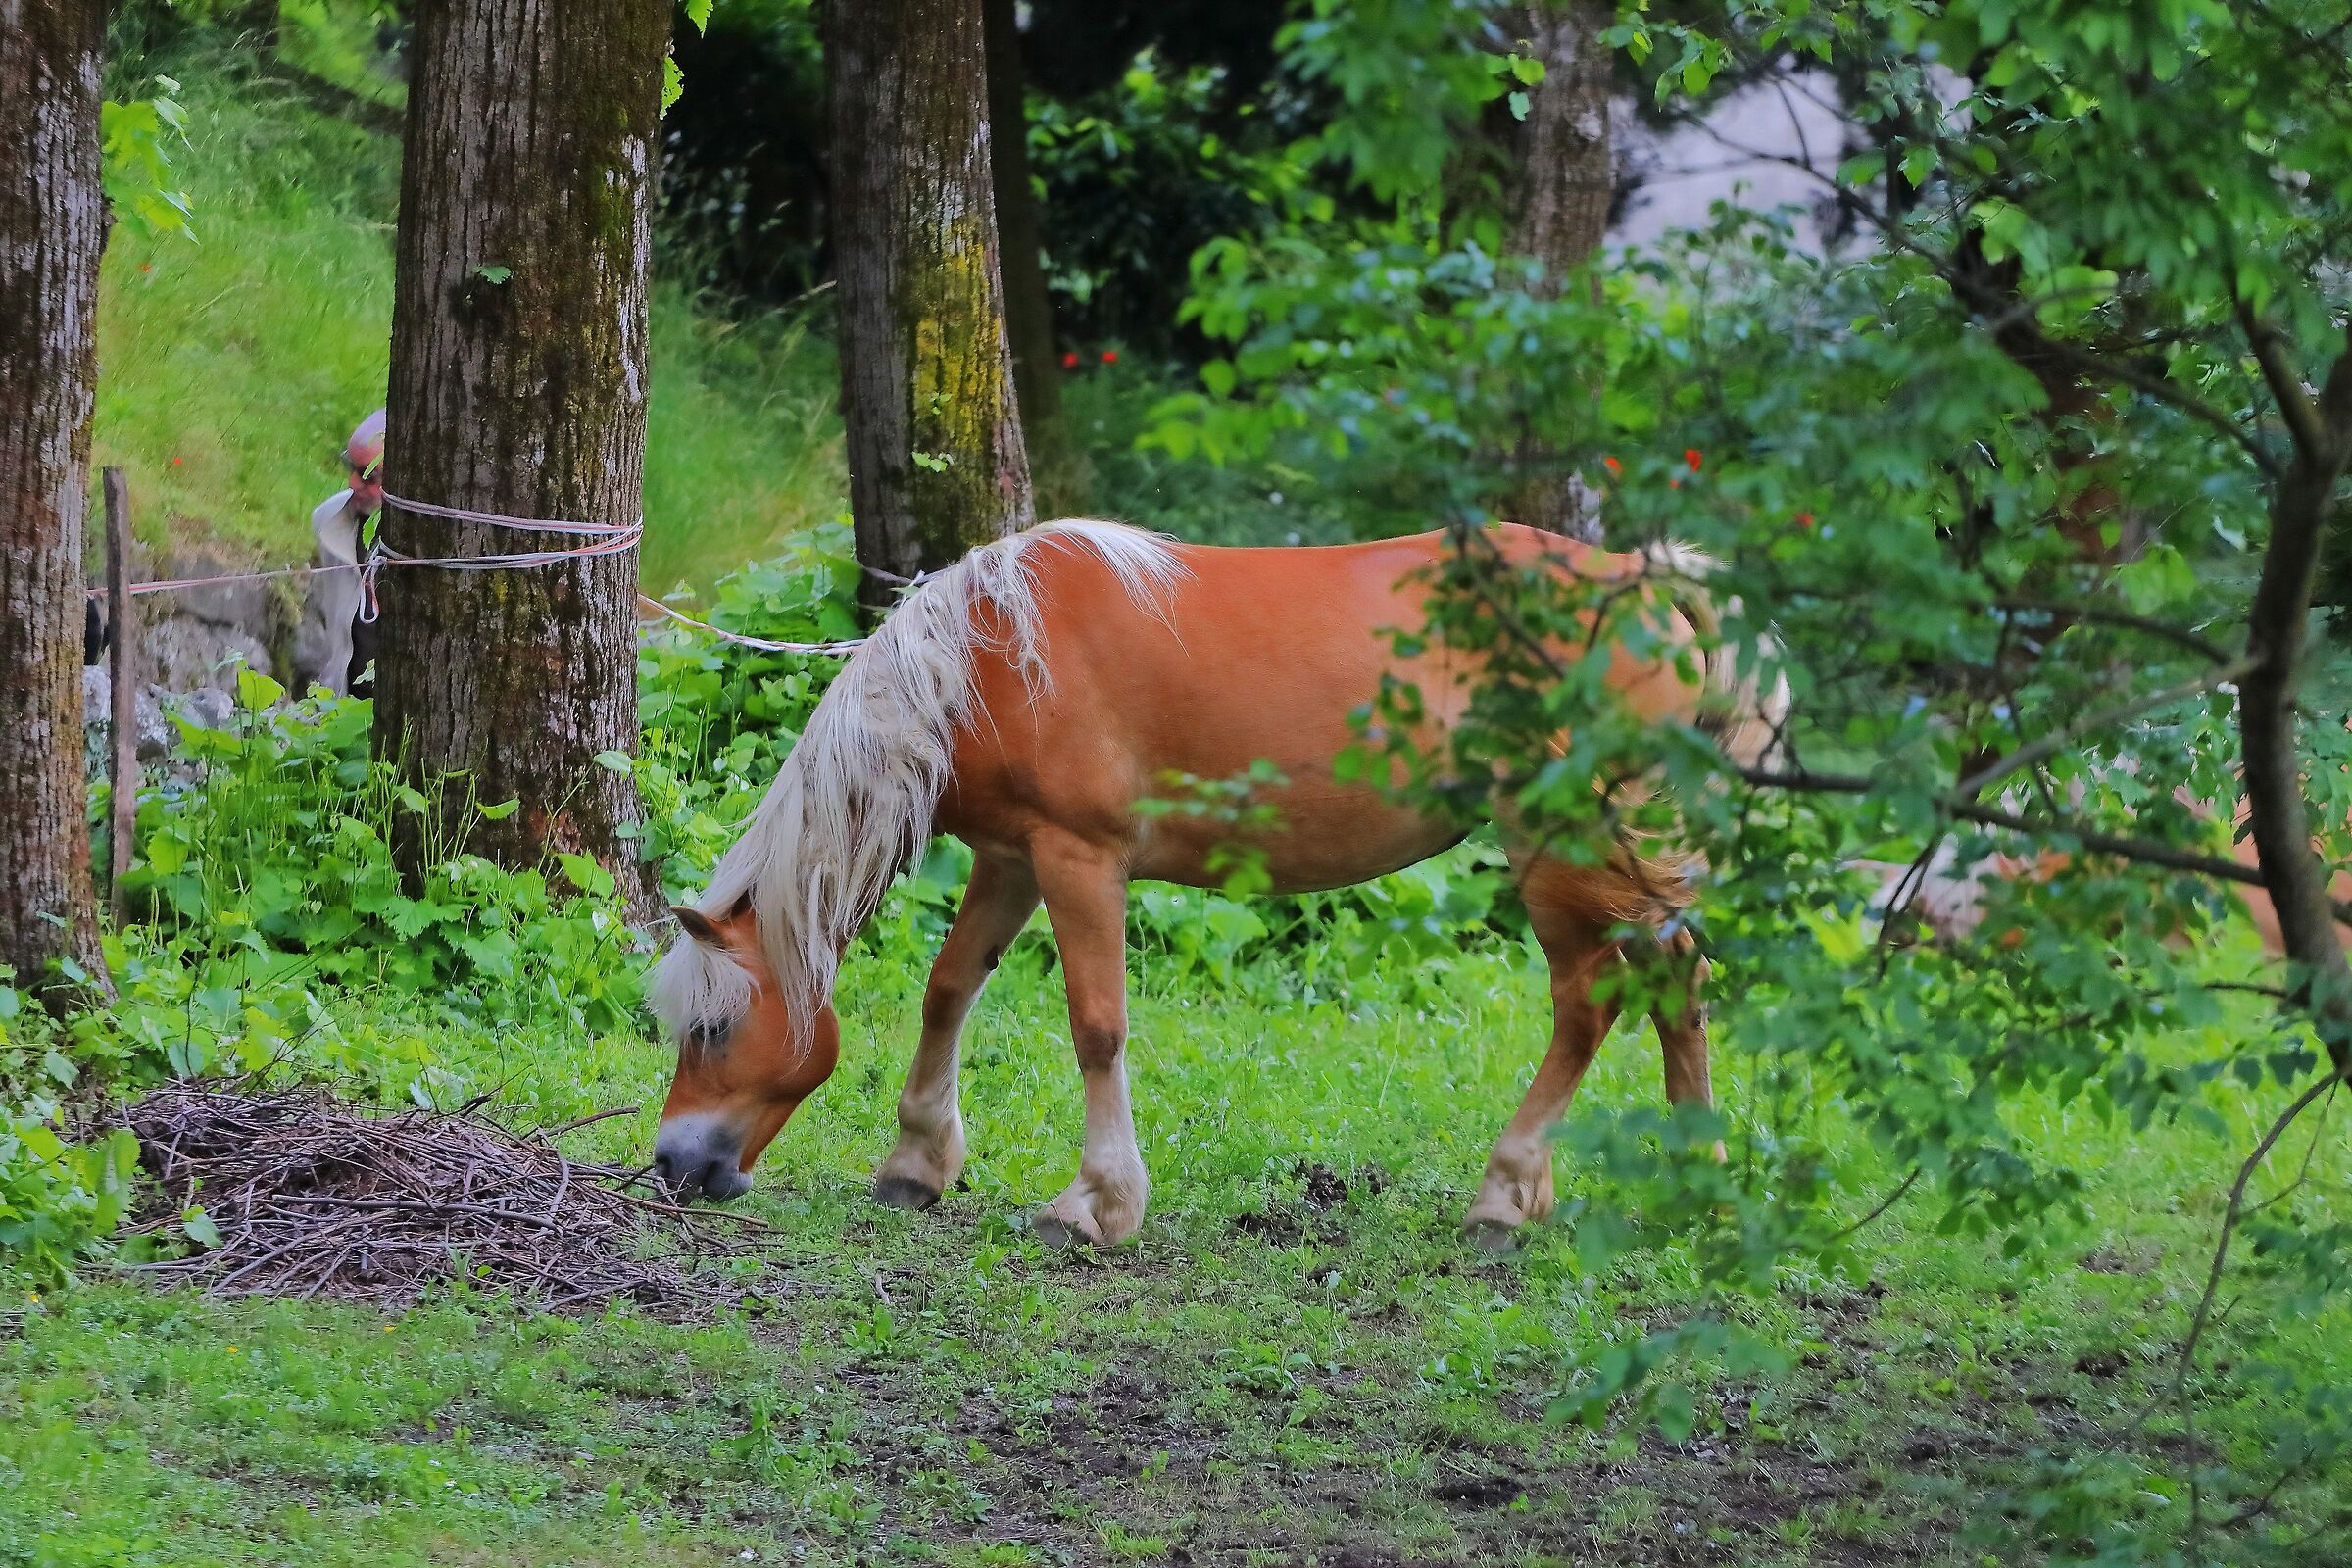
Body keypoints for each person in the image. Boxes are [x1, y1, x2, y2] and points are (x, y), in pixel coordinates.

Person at [291, 410, 384, 695]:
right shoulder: (330, 520)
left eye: (368, 476)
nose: (352, 483)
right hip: (348, 710)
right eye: (351, 467)